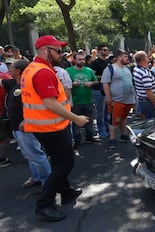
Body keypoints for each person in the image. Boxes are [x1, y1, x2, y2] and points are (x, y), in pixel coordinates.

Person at [20, 35, 89, 221]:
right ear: (45, 51)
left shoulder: (32, 69)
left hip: (43, 126)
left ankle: (66, 191)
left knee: (58, 161)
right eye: (57, 51)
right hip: (51, 128)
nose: (61, 54)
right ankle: (44, 204)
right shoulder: (43, 72)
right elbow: (49, 103)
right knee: (66, 163)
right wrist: (76, 118)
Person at [0, 59, 51, 188]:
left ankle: (48, 183)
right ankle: (37, 178)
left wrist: (27, 120)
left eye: (11, 67)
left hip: (26, 126)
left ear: (18, 71)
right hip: (16, 126)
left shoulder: (28, 84)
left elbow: (40, 104)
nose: (8, 69)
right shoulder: (13, 83)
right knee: (29, 155)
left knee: (36, 154)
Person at [101, 49, 136, 150]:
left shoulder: (127, 68)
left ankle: (124, 134)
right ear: (119, 57)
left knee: (123, 118)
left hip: (128, 100)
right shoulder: (110, 69)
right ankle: (112, 139)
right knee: (114, 120)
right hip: (116, 100)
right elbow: (105, 83)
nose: (127, 58)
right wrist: (108, 97)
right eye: (125, 56)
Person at [66, 53, 100, 154]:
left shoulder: (88, 70)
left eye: (83, 59)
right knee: (76, 122)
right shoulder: (69, 71)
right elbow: (63, 84)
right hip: (75, 101)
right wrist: (72, 84)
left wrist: (91, 83)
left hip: (88, 100)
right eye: (79, 59)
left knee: (89, 120)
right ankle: (77, 141)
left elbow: (96, 81)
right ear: (74, 60)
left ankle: (89, 137)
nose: (81, 61)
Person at [90, 44, 110, 138]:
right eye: (104, 50)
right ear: (99, 51)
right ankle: (100, 130)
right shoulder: (95, 63)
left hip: (107, 90)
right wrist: (103, 77)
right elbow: (92, 76)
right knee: (100, 112)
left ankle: (107, 127)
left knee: (107, 111)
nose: (106, 52)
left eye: (107, 50)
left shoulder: (108, 62)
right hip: (98, 90)